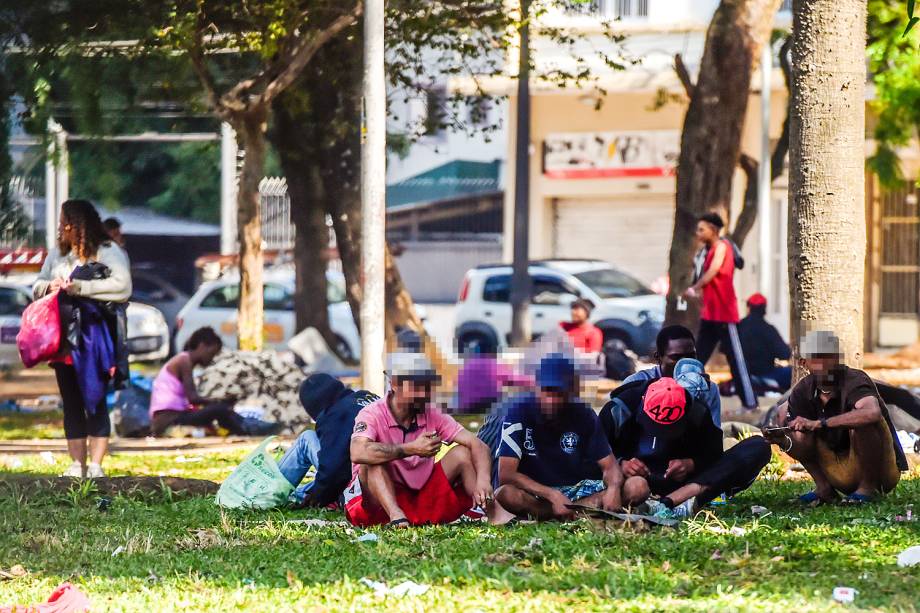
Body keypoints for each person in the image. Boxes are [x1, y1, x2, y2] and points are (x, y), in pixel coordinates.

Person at [33, 199, 132, 479]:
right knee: (71, 400)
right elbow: (37, 284)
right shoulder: (58, 255)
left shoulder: (108, 251)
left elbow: (122, 286)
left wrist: (81, 287)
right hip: (63, 338)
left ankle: (97, 465)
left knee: (95, 397)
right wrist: (48, 286)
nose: (62, 227)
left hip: (95, 337)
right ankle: (77, 464)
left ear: (79, 224)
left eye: (66, 221)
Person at [490, 354, 648, 524]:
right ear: (536, 388)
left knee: (638, 486)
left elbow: (609, 466)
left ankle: (563, 513)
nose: (552, 399)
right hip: (539, 494)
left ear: (571, 391)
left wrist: (614, 489)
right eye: (547, 391)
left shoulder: (584, 414)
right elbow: (506, 474)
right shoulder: (517, 412)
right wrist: (552, 495)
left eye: (559, 393)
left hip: (579, 490)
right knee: (506, 494)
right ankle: (573, 513)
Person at [345, 352, 494, 527]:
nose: (424, 393)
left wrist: (483, 480)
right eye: (417, 387)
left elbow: (478, 445)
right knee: (371, 459)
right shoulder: (371, 413)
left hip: (419, 498)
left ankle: (491, 512)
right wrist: (411, 449)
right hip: (377, 506)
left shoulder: (431, 412)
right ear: (394, 384)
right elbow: (357, 452)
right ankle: (397, 517)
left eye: (427, 387)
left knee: (462, 453)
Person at [763, 330, 907, 505]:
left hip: (881, 470)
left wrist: (820, 424)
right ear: (804, 362)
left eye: (830, 357)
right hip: (838, 469)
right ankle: (824, 489)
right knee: (784, 413)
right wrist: (783, 439)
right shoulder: (803, 389)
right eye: (818, 358)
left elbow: (872, 413)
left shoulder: (854, 379)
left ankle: (867, 489)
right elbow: (799, 436)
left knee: (862, 421)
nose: (825, 364)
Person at [600, 376, 771, 519]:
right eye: (654, 426)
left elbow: (715, 456)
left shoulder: (697, 412)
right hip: (634, 484)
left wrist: (691, 464)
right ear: (643, 401)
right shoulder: (618, 410)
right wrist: (620, 464)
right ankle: (654, 504)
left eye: (669, 429)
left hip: (685, 486)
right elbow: (592, 454)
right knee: (636, 486)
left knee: (758, 446)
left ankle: (671, 503)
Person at [684, 213, 757, 410]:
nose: (698, 233)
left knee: (736, 360)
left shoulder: (722, 247)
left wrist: (695, 287)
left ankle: (750, 403)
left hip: (725, 315)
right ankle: (683, 396)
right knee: (696, 359)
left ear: (713, 230)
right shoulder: (705, 252)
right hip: (709, 315)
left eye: (702, 229)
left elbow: (714, 270)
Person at [277, 373, 379, 507]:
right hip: (394, 481)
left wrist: (318, 497)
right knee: (311, 487)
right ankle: (299, 494)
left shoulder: (336, 414)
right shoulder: (367, 397)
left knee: (306, 438)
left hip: (361, 488)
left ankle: (270, 489)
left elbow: (334, 469)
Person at [148, 327, 253, 437]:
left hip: (173, 417)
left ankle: (243, 430)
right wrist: (219, 401)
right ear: (202, 346)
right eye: (211, 353)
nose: (211, 358)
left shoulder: (184, 360)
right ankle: (244, 432)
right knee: (220, 409)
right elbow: (193, 398)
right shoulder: (184, 361)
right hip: (169, 420)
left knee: (219, 410)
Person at [623, 324, 722, 426]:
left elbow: (713, 435)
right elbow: (620, 431)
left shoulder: (708, 389)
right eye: (676, 357)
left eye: (691, 356)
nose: (685, 363)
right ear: (658, 357)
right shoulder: (635, 384)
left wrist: (700, 399)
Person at [738, 293, 791, 392]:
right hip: (766, 373)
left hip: (742, 374)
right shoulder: (768, 329)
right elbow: (785, 354)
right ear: (764, 309)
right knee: (791, 372)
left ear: (749, 308)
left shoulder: (738, 327)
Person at [456, 348, 533, 415]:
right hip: (484, 405)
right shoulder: (492, 364)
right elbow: (515, 379)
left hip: (465, 405)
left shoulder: (467, 365)